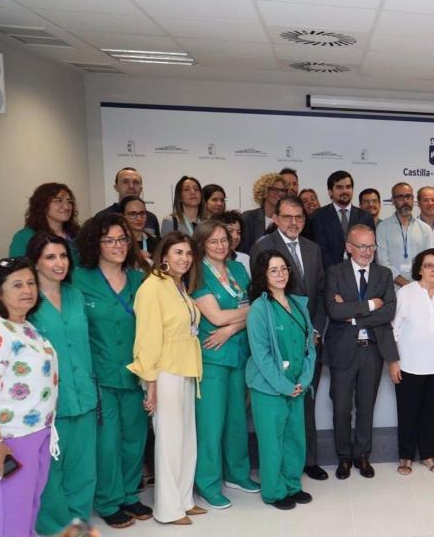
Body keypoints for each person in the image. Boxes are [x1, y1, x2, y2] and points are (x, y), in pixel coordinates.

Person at [72, 213, 152, 528]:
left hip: (135, 374)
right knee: (107, 443)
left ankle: (130, 495)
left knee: (134, 439)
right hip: (100, 377)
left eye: (122, 239)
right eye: (109, 240)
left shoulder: (138, 279)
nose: (117, 245)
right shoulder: (79, 279)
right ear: (95, 244)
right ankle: (108, 500)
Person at [127, 232, 206, 525]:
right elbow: (147, 338)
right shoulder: (152, 287)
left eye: (188, 253)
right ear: (164, 256)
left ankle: (185, 500)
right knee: (169, 442)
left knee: (186, 439)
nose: (184, 258)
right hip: (165, 373)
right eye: (178, 253)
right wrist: (150, 384)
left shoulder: (179, 286)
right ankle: (168, 508)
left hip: (186, 370)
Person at [250, 196, 327, 480]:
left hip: (309, 341)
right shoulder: (263, 247)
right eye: (288, 217)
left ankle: (308, 461)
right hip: (278, 340)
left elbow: (319, 293)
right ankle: (279, 472)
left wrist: (314, 330)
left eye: (299, 217)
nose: (294, 222)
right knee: (279, 409)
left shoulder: (313, 248)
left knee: (304, 402)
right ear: (276, 218)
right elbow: (258, 293)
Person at [26, 233, 97, 535]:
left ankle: (77, 524)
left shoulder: (76, 295)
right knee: (50, 474)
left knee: (83, 469)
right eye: (50, 257)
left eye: (63, 256)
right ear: (36, 263)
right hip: (47, 402)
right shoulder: (28, 302)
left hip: (83, 393)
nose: (59, 263)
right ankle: (54, 529)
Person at [0, 257, 59, 537]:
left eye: (31, 282)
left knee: (31, 503)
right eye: (16, 285)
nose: (27, 290)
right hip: (11, 436)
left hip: (39, 430)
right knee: (15, 509)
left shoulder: (26, 326)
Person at [191, 220, 257, 509]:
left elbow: (256, 306)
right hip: (212, 358)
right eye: (213, 241)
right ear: (202, 244)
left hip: (238, 352)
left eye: (224, 240)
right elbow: (214, 317)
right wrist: (237, 317)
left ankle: (237, 474)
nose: (220, 245)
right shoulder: (197, 273)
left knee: (236, 421)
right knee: (211, 424)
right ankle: (207, 483)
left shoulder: (239, 269)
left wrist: (231, 329)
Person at [245, 250, 316, 511]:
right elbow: (261, 356)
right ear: (263, 275)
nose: (280, 274)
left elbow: (311, 345)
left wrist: (304, 379)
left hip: (297, 385)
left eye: (284, 268)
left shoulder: (298, 304)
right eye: (273, 270)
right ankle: (273, 492)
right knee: (272, 441)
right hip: (269, 388)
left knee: (295, 438)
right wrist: (285, 385)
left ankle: (292, 485)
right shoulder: (259, 309)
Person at [324, 224, 397, 480]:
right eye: (362, 246)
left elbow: (388, 312)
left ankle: (362, 454)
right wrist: (368, 305)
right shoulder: (335, 272)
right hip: (343, 350)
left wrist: (354, 315)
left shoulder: (384, 274)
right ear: (349, 247)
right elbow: (334, 311)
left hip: (372, 351)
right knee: (341, 407)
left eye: (372, 246)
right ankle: (344, 456)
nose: (368, 252)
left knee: (366, 406)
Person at [391, 248, 434, 475]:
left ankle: (428, 455)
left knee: (432, 413)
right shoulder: (406, 292)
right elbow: (394, 329)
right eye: (428, 265)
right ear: (419, 269)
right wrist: (393, 362)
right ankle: (405, 456)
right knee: (407, 412)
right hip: (409, 365)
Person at [312, 170, 376, 269]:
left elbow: (371, 249)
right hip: (330, 274)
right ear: (330, 192)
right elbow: (321, 250)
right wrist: (337, 274)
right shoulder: (319, 216)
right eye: (339, 187)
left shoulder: (365, 217)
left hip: (360, 273)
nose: (345, 191)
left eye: (348, 187)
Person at [377, 182, 434, 288]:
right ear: (393, 201)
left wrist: (418, 285)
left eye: (408, 196)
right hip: (392, 290)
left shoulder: (425, 229)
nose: (405, 201)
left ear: (413, 199)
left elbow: (429, 260)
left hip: (420, 288)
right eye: (400, 197)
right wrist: (408, 286)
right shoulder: (382, 228)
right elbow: (383, 263)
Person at [10, 182, 81, 264]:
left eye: (69, 201)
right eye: (59, 200)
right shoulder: (24, 237)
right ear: (42, 205)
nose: (67, 206)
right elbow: (18, 272)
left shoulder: (77, 235)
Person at [96, 167, 160, 235]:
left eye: (136, 182)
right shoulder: (102, 218)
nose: (131, 186)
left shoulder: (151, 218)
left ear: (141, 189)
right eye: (125, 182)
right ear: (116, 187)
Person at [240, 173, 288, 254]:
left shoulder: (286, 220)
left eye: (283, 190)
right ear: (264, 191)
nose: (280, 193)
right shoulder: (248, 217)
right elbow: (242, 250)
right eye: (275, 189)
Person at [120, 195, 157, 266]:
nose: (139, 218)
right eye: (133, 214)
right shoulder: (119, 243)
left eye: (142, 213)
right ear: (123, 216)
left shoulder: (156, 242)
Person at [216, 210, 250, 274]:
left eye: (238, 232)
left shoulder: (245, 258)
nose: (236, 236)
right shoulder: (209, 261)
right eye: (230, 231)